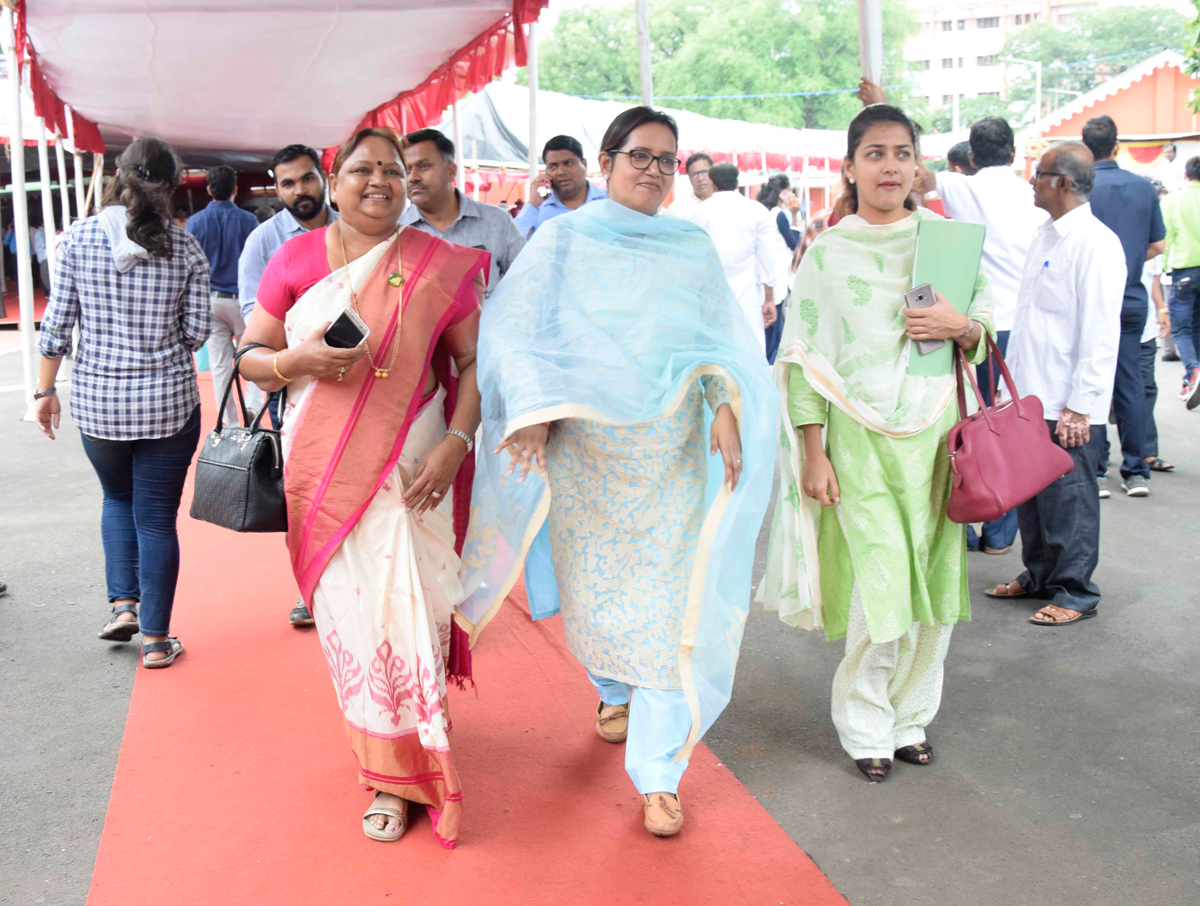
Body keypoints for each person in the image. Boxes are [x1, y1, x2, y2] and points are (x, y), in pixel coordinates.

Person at [457, 107, 776, 837]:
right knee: (597, 599)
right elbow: (521, 331)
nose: (655, 170)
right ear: (607, 163)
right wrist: (533, 410)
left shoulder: (689, 245)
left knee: (669, 612)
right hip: (589, 455)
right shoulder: (564, 239)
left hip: (671, 456)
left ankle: (658, 774)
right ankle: (610, 686)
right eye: (641, 156)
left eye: (667, 159)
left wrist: (722, 402)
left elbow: (717, 337)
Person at [236, 128, 485, 848]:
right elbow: (249, 354)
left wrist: (454, 444)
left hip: (416, 472)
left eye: (394, 171)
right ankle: (385, 774)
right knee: (354, 620)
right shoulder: (294, 258)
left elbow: (471, 367)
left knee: (413, 613)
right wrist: (297, 360)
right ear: (334, 179)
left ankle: (423, 741)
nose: (379, 181)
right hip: (327, 473)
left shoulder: (434, 264)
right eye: (362, 169)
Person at [758, 103, 995, 783]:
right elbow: (802, 355)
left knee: (934, 588)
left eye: (901, 153)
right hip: (858, 436)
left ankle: (912, 716)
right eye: (875, 153)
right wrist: (811, 449)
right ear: (851, 167)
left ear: (918, 165)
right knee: (880, 588)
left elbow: (985, 334)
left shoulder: (948, 244)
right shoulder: (830, 253)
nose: (889, 165)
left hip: (937, 436)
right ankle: (866, 724)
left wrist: (958, 325)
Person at [33, 137, 212, 668]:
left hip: (98, 404)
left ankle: (123, 608)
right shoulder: (185, 248)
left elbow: (56, 325)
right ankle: (157, 641)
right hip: (167, 404)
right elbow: (198, 332)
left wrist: (45, 393)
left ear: (118, 174)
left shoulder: (77, 240)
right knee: (156, 519)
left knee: (116, 500)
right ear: (171, 183)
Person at [986, 143, 1126, 626]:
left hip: (1065, 400)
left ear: (1064, 182)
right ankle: (1040, 574)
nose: (1031, 181)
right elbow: (1029, 322)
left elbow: (1101, 333)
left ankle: (1075, 591)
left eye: (1039, 174)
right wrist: (1011, 392)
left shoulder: (1095, 243)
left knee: (1071, 497)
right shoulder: (1046, 236)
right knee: (1034, 496)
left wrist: (1081, 407)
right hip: (1031, 395)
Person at [913, 116, 1048, 552]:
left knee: (976, 423)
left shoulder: (963, 187)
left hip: (977, 325)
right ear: (1012, 153)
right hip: (1024, 324)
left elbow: (915, 170)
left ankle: (978, 517)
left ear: (970, 157)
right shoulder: (1033, 191)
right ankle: (1001, 532)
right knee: (1008, 425)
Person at [237, 143, 340, 630]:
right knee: (306, 491)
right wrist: (293, 358)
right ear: (276, 190)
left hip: (368, 379)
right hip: (294, 387)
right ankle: (309, 588)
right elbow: (252, 323)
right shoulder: (265, 242)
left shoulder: (358, 225)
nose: (299, 190)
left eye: (306, 178)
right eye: (287, 183)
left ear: (323, 176)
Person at [1082, 115, 1164, 498]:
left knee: (1092, 382)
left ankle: (1097, 470)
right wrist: (1127, 262)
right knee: (1130, 383)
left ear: (1086, 150)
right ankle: (1135, 471)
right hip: (1131, 298)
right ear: (1117, 146)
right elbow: (1157, 245)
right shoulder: (1144, 187)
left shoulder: (1081, 188)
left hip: (1091, 299)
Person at [400, 128, 526, 294]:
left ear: (451, 172)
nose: (412, 178)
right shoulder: (397, 232)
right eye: (406, 170)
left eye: (423, 166)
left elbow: (527, 280)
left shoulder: (496, 221)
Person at [186, 164, 258, 425]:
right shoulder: (249, 221)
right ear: (235, 190)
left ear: (208, 189)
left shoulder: (195, 223)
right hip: (244, 301)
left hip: (211, 301)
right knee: (253, 357)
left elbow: (188, 267)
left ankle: (229, 424)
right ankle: (253, 409)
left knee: (219, 368)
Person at [689, 162, 779, 352]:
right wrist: (769, 298)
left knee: (718, 352)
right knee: (749, 349)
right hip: (747, 294)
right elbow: (768, 258)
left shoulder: (696, 214)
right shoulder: (757, 211)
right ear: (737, 182)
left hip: (710, 296)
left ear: (712, 183)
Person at [513, 135, 607, 238]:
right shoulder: (538, 209)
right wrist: (532, 204)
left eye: (569, 163)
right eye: (553, 166)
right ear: (546, 172)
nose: (561, 172)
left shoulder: (608, 201)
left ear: (584, 164)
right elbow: (512, 245)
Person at [1162, 155, 1200, 408]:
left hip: (1184, 271)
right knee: (1197, 327)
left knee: (1182, 329)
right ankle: (1191, 380)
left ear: (1185, 175)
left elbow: (1166, 238)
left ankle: (1194, 371)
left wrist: (1163, 268)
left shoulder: (1172, 200)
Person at [758, 173, 801, 363]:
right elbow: (794, 243)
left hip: (762, 276)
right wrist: (795, 214)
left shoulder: (762, 211)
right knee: (775, 326)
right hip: (777, 277)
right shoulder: (779, 215)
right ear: (783, 193)